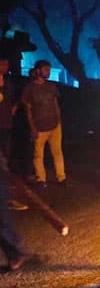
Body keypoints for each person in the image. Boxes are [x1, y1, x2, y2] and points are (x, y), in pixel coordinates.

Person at [21, 60, 66, 189]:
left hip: (54, 125)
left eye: (49, 69)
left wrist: (59, 120)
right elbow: (28, 110)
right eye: (46, 69)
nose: (48, 72)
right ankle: (41, 179)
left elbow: (55, 104)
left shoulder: (51, 86)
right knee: (38, 154)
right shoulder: (30, 88)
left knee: (57, 152)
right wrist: (32, 127)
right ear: (38, 71)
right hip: (40, 127)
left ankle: (61, 177)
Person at [0, 58, 27, 211]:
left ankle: (6, 195)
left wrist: (14, 107)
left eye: (6, 64)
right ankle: (6, 197)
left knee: (5, 159)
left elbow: (15, 98)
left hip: (6, 125)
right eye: (2, 64)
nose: (5, 67)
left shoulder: (8, 83)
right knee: (2, 162)